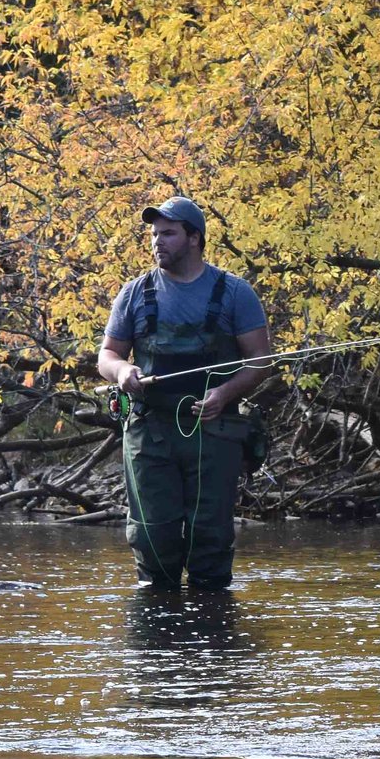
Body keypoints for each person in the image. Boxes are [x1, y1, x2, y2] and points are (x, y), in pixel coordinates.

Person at [95, 196, 273, 592]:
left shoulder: (234, 293)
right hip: (149, 430)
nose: (158, 242)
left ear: (194, 238)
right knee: (152, 539)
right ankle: (158, 644)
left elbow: (261, 360)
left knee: (209, 540)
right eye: (155, 234)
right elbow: (107, 355)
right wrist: (123, 370)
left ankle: (212, 638)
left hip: (215, 429)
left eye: (168, 234)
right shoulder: (134, 293)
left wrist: (225, 394)